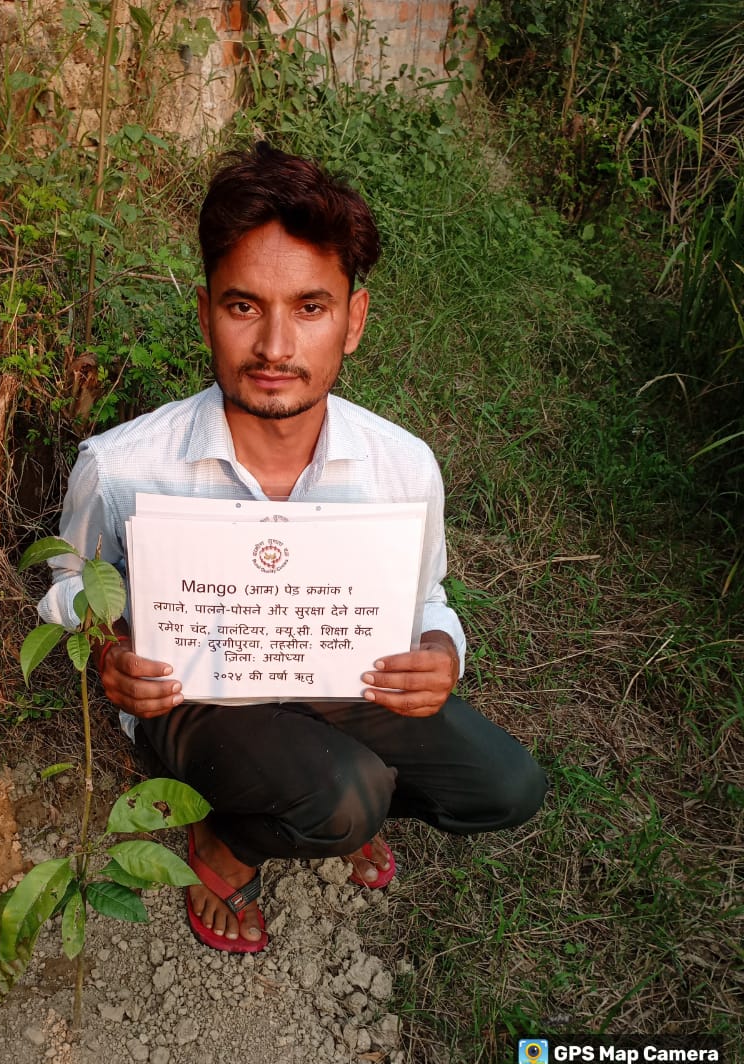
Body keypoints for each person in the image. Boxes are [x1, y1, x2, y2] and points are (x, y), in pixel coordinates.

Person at [39, 142, 547, 954]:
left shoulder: (401, 467)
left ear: (355, 320)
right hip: (199, 701)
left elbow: (426, 600)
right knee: (349, 795)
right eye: (245, 307)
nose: (276, 347)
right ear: (206, 310)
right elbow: (69, 579)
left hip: (344, 680)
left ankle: (328, 806)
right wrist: (110, 643)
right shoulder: (124, 465)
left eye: (310, 308)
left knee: (507, 786)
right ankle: (234, 838)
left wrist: (439, 652)